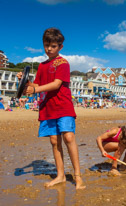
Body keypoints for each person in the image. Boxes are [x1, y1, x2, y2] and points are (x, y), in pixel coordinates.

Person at [17, 28, 85, 189]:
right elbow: (38, 85)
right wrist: (25, 82)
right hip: (48, 107)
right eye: (46, 45)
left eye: (53, 46)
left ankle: (78, 176)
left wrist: (34, 90)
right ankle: (61, 175)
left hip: (63, 105)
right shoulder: (41, 65)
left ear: (60, 47)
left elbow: (56, 84)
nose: (49, 49)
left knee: (69, 137)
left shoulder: (63, 63)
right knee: (55, 142)